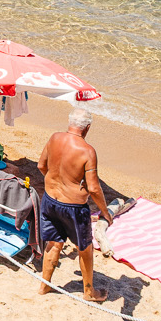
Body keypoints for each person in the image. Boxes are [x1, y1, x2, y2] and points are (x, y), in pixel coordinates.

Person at [37, 107, 114, 302]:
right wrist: (105, 212)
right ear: (87, 128)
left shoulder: (54, 138)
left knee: (54, 244)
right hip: (73, 207)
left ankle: (44, 286)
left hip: (49, 199)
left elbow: (41, 166)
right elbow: (94, 188)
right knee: (85, 248)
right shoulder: (87, 151)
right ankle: (89, 292)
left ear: (70, 122)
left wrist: (56, 182)